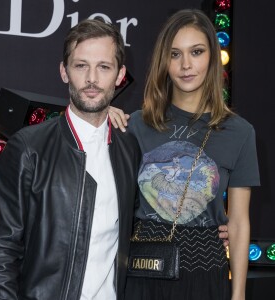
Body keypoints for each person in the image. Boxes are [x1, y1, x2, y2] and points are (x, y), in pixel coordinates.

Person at [0, 18, 141, 300]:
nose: (92, 78)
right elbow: (2, 252)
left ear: (120, 75)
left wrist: (212, 228)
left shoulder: (128, 148)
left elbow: (137, 229)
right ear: (64, 71)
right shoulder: (28, 148)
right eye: (81, 66)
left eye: (104, 67)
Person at [109, 8, 260, 300]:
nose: (186, 65)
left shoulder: (240, 132)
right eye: (175, 54)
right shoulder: (137, 124)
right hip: (143, 272)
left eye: (197, 52)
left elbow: (239, 222)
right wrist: (102, 118)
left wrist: (238, 294)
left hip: (205, 274)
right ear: (164, 61)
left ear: (212, 58)